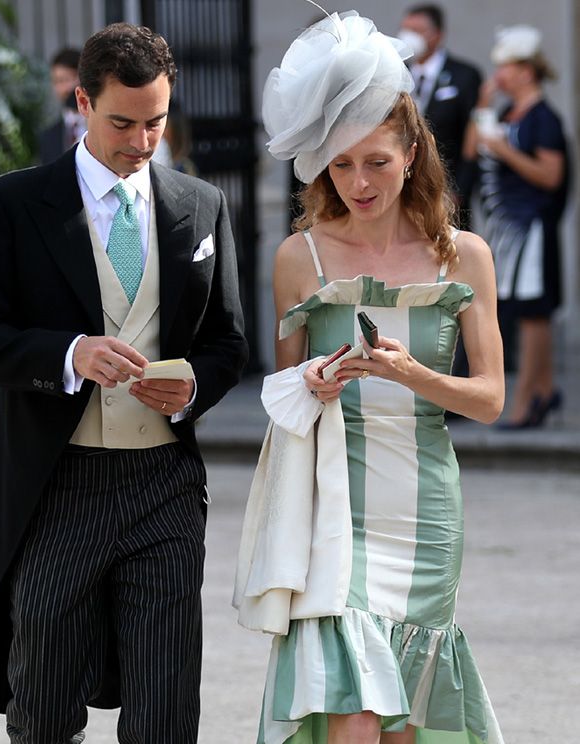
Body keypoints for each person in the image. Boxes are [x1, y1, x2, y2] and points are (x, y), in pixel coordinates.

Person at [0, 22, 247, 744]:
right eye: (123, 122)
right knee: (45, 707)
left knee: (167, 712)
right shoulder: (10, 204)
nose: (142, 141)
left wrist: (196, 385)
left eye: (157, 122)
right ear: (82, 101)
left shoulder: (201, 205)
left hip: (166, 485)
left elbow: (227, 342)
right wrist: (70, 353)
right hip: (57, 484)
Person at [244, 11, 505, 743]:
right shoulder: (301, 257)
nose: (358, 182)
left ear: (414, 150)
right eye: (341, 163)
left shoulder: (466, 257)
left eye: (378, 162)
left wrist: (413, 373)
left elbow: (489, 400)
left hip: (425, 508)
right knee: (354, 713)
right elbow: (283, 392)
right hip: (337, 506)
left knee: (403, 726)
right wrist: (317, 384)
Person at [465, 25, 568, 429]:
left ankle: (528, 399)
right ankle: (542, 392)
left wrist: (507, 152)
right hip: (506, 230)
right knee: (522, 312)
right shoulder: (508, 113)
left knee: (533, 315)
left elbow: (551, 176)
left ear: (526, 71)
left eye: (506, 68)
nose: (499, 75)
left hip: (531, 229)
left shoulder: (544, 119)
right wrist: (484, 107)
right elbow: (474, 150)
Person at [398, 4, 481, 231]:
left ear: (437, 34)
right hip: (402, 189)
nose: (408, 37)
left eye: (416, 30)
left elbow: (472, 138)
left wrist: (460, 192)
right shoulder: (396, 72)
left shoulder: (464, 76)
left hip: (447, 189)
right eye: (405, 29)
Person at [38, 47, 86, 163]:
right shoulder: (48, 137)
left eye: (65, 80)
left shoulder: (101, 127)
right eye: (56, 81)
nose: (62, 89)